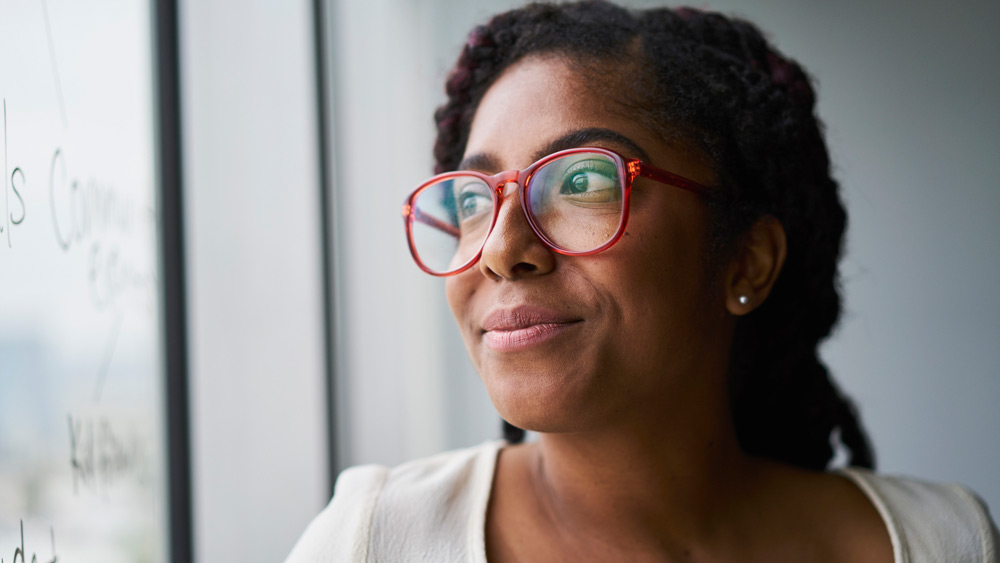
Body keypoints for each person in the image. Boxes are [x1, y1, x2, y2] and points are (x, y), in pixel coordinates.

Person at [286, 2, 999, 561]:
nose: (500, 250)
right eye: (474, 200)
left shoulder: (943, 540)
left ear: (747, 260)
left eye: (583, 181)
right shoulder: (376, 541)